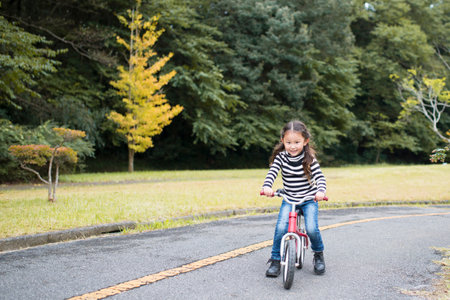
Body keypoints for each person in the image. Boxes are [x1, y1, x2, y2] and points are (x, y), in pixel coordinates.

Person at [261, 120, 327, 277]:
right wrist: (267, 187)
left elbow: (320, 178)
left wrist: (321, 191)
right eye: (288, 142)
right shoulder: (281, 158)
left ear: (305, 141)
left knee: (311, 228)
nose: (292, 146)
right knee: (281, 228)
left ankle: (318, 254)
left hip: (309, 199)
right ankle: (275, 260)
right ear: (282, 141)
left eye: (297, 142)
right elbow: (272, 173)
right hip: (289, 198)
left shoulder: (309, 158)